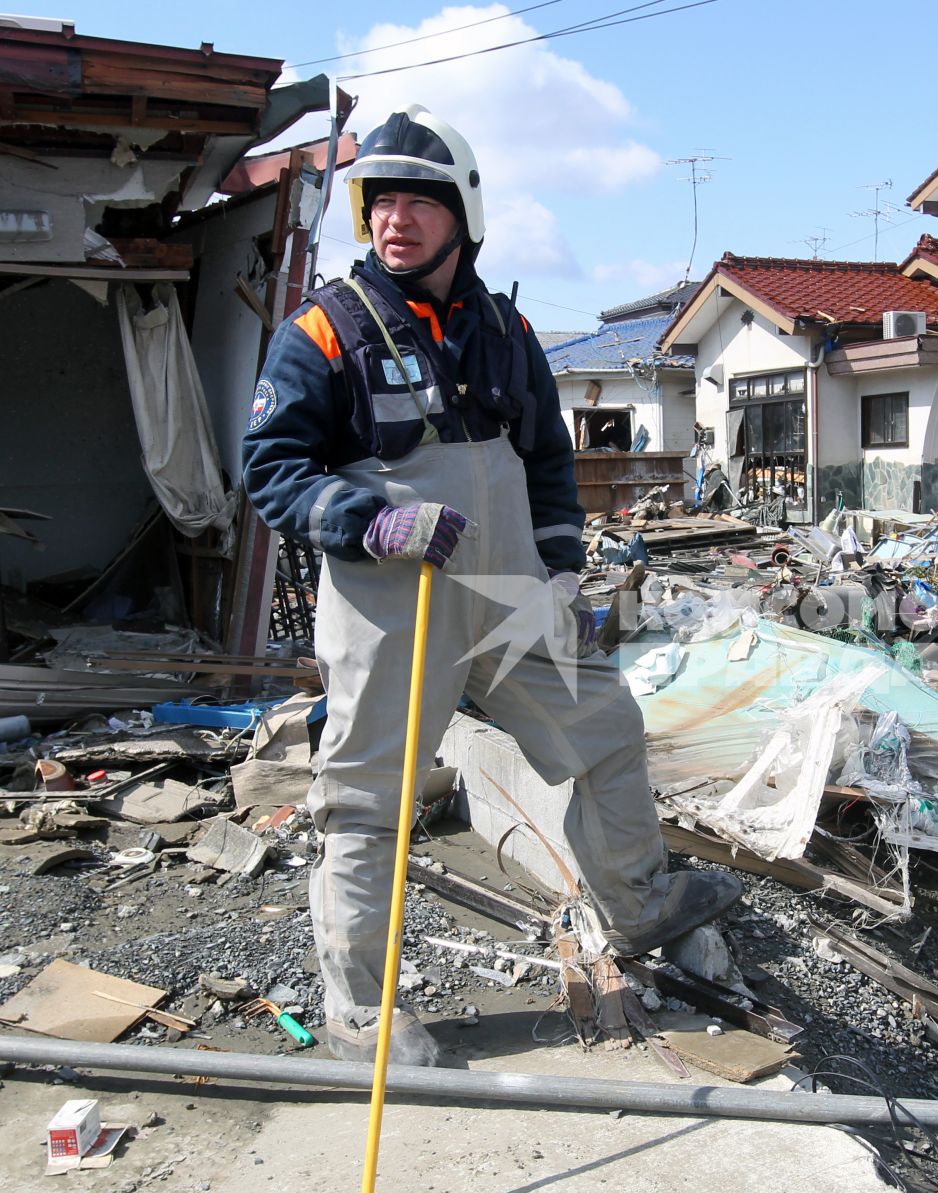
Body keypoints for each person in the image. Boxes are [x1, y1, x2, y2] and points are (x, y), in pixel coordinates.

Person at [242, 105, 740, 1066]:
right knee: (366, 798)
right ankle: (362, 1010)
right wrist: (366, 518)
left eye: (417, 203)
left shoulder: (507, 331)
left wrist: (560, 570)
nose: (396, 220)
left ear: (462, 213)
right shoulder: (323, 333)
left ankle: (642, 906)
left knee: (606, 729)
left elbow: (548, 461)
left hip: (512, 593)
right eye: (380, 203)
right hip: (396, 604)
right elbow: (270, 468)